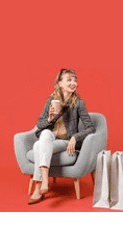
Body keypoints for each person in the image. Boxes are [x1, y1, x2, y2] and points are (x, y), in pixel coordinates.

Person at [27, 68, 96, 205]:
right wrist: (51, 118)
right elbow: (40, 124)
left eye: (75, 79)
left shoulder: (78, 103)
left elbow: (91, 128)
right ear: (59, 83)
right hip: (50, 138)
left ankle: (38, 186)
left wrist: (75, 137)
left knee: (37, 145)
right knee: (44, 135)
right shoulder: (51, 101)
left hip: (65, 141)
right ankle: (45, 181)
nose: (73, 82)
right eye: (69, 79)